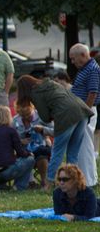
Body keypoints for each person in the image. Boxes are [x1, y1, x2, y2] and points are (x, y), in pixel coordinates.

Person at [16, 75, 92, 189]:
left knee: (57, 152)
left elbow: (45, 116)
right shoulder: (50, 83)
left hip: (66, 116)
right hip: (81, 110)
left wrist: (51, 115)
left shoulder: (35, 93)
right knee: (73, 154)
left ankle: (48, 183)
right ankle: (75, 183)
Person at [68, 43, 99, 186]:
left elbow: (93, 92)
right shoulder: (85, 69)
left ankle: (89, 181)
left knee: (85, 146)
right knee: (82, 146)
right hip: (82, 111)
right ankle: (88, 178)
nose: (72, 62)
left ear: (83, 55)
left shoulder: (92, 69)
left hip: (86, 111)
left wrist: (85, 113)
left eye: (73, 59)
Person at [0, 105, 35, 190]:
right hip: (6, 171)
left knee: (7, 163)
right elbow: (20, 152)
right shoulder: (11, 131)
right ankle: (19, 187)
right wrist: (29, 154)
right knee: (30, 160)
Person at [12, 103, 54, 189]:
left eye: (28, 114)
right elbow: (10, 139)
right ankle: (30, 181)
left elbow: (55, 131)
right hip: (23, 149)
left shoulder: (42, 116)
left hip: (41, 146)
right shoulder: (15, 121)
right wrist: (20, 141)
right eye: (23, 115)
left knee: (41, 154)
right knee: (23, 155)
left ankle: (44, 181)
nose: (27, 117)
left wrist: (43, 130)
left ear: (32, 108)